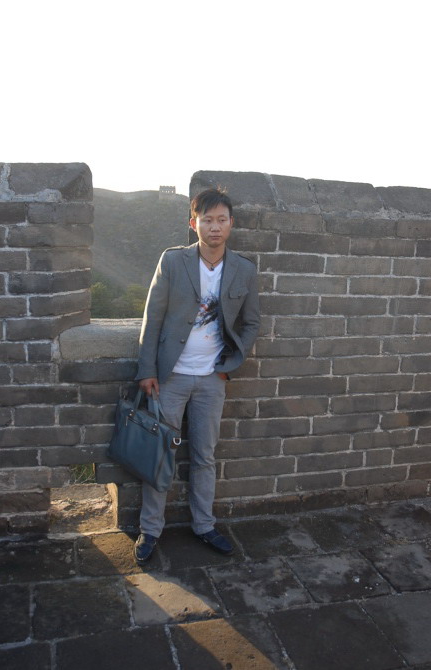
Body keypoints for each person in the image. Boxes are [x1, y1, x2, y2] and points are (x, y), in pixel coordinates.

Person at [133, 188, 260, 564]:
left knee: (204, 456)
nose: (215, 227)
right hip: (169, 377)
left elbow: (252, 322)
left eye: (221, 220)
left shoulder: (244, 269)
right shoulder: (173, 261)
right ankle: (150, 530)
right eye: (207, 220)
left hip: (211, 379)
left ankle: (204, 525)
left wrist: (230, 365)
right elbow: (153, 317)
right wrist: (147, 370)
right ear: (194, 223)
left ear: (231, 224)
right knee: (161, 455)